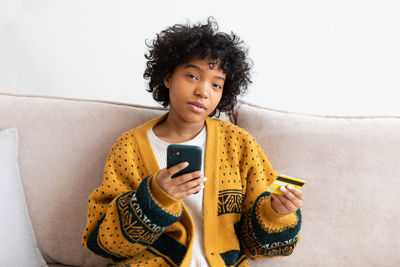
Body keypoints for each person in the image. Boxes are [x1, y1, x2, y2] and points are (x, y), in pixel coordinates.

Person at [82, 17, 304, 267]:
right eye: (192, 76)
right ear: (167, 78)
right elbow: (106, 242)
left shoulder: (240, 144)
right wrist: (155, 198)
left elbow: (256, 247)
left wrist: (277, 214)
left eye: (216, 84)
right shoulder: (129, 148)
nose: (203, 91)